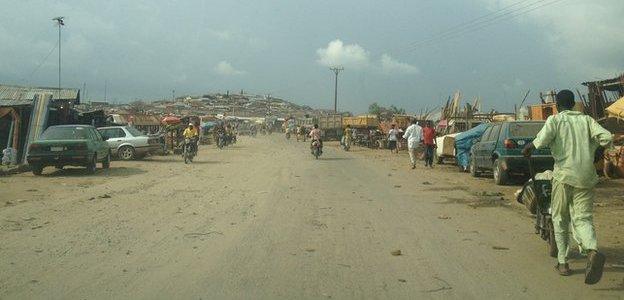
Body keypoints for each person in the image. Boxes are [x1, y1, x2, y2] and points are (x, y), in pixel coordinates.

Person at [522, 90, 613, 283]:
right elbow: (606, 137)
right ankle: (591, 251)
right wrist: (597, 150)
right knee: (583, 218)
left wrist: (529, 148)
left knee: (560, 218)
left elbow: (539, 141)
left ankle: (563, 263)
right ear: (573, 104)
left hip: (564, 176)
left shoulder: (555, 121)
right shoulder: (588, 121)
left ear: (557, 104)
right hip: (586, 178)